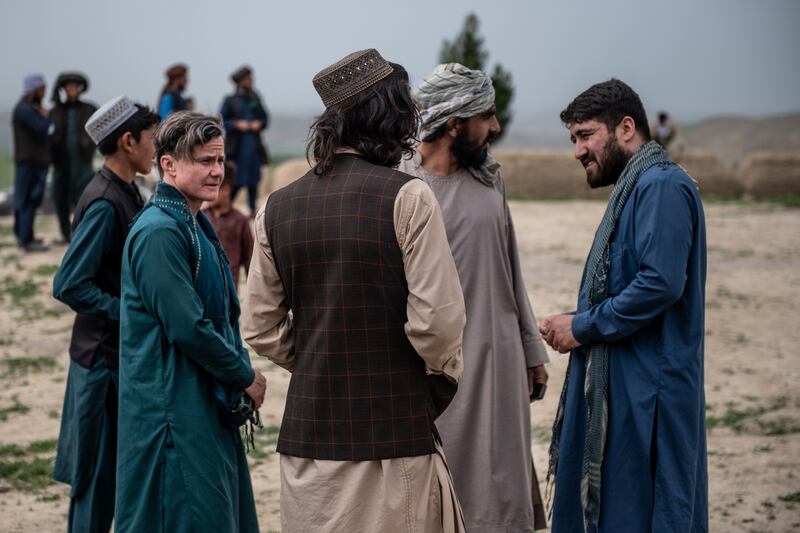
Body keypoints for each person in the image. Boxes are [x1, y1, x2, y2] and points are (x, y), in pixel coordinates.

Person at [242, 49, 467, 533]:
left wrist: (322, 357)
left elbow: (258, 326)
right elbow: (437, 325)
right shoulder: (408, 196)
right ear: (388, 117)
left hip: (307, 449)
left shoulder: (276, 207)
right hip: (393, 438)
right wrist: (432, 381)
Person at [540, 79, 708, 532]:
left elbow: (660, 284)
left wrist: (583, 326)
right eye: (573, 139)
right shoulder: (637, 187)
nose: (578, 150)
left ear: (626, 127)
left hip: (649, 392)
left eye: (586, 135)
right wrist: (580, 320)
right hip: (629, 385)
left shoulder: (661, 187)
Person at [398, 62, 550, 533]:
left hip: (499, 358)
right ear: (455, 123)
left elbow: (511, 267)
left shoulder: (490, 178)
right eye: (487, 116)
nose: (496, 127)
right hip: (432, 368)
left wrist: (530, 348)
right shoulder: (400, 182)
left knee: (498, 489)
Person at [116, 111, 264, 533]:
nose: (216, 171)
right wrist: (244, 375)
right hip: (172, 410)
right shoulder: (159, 232)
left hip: (200, 402)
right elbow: (188, 327)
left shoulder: (194, 219)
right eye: (204, 161)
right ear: (169, 164)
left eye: (219, 160)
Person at [52, 96, 159, 533]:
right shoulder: (103, 202)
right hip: (100, 364)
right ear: (127, 141)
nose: (157, 149)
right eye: (152, 140)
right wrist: (130, 315)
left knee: (115, 478)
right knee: (94, 484)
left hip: (115, 360)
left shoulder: (128, 191)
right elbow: (70, 284)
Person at [49, 71, 98, 243]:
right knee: (59, 197)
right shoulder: (56, 111)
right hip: (61, 162)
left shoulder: (89, 109)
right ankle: (65, 233)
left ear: (80, 89)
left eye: (74, 86)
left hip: (82, 162)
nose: (71, 89)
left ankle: (81, 233)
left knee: (84, 198)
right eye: (68, 86)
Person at [220, 65, 269, 214]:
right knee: (236, 179)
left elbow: (265, 118)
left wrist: (258, 124)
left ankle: (252, 210)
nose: (252, 80)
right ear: (241, 81)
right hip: (237, 149)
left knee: (254, 180)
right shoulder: (230, 100)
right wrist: (237, 124)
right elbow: (222, 121)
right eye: (249, 78)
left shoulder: (255, 98)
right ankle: (226, 208)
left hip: (254, 146)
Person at [12, 73, 51, 252]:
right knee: (27, 199)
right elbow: (42, 129)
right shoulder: (24, 111)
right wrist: (47, 116)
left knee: (29, 200)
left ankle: (25, 235)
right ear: (33, 90)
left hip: (32, 163)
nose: (44, 93)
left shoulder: (30, 109)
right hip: (29, 164)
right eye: (42, 89)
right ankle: (25, 240)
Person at [202, 165, 254, 286]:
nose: (206, 193)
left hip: (229, 287)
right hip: (204, 287)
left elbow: (249, 260)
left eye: (212, 188)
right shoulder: (200, 217)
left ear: (225, 190)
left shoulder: (240, 220)